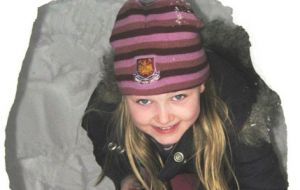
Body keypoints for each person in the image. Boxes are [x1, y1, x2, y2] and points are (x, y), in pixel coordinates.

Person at [82, 0, 288, 189]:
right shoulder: (105, 114)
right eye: (144, 101)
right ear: (123, 98)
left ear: (201, 86)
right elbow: (106, 148)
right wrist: (126, 175)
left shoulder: (236, 116)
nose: (163, 118)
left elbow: (263, 181)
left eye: (178, 97)